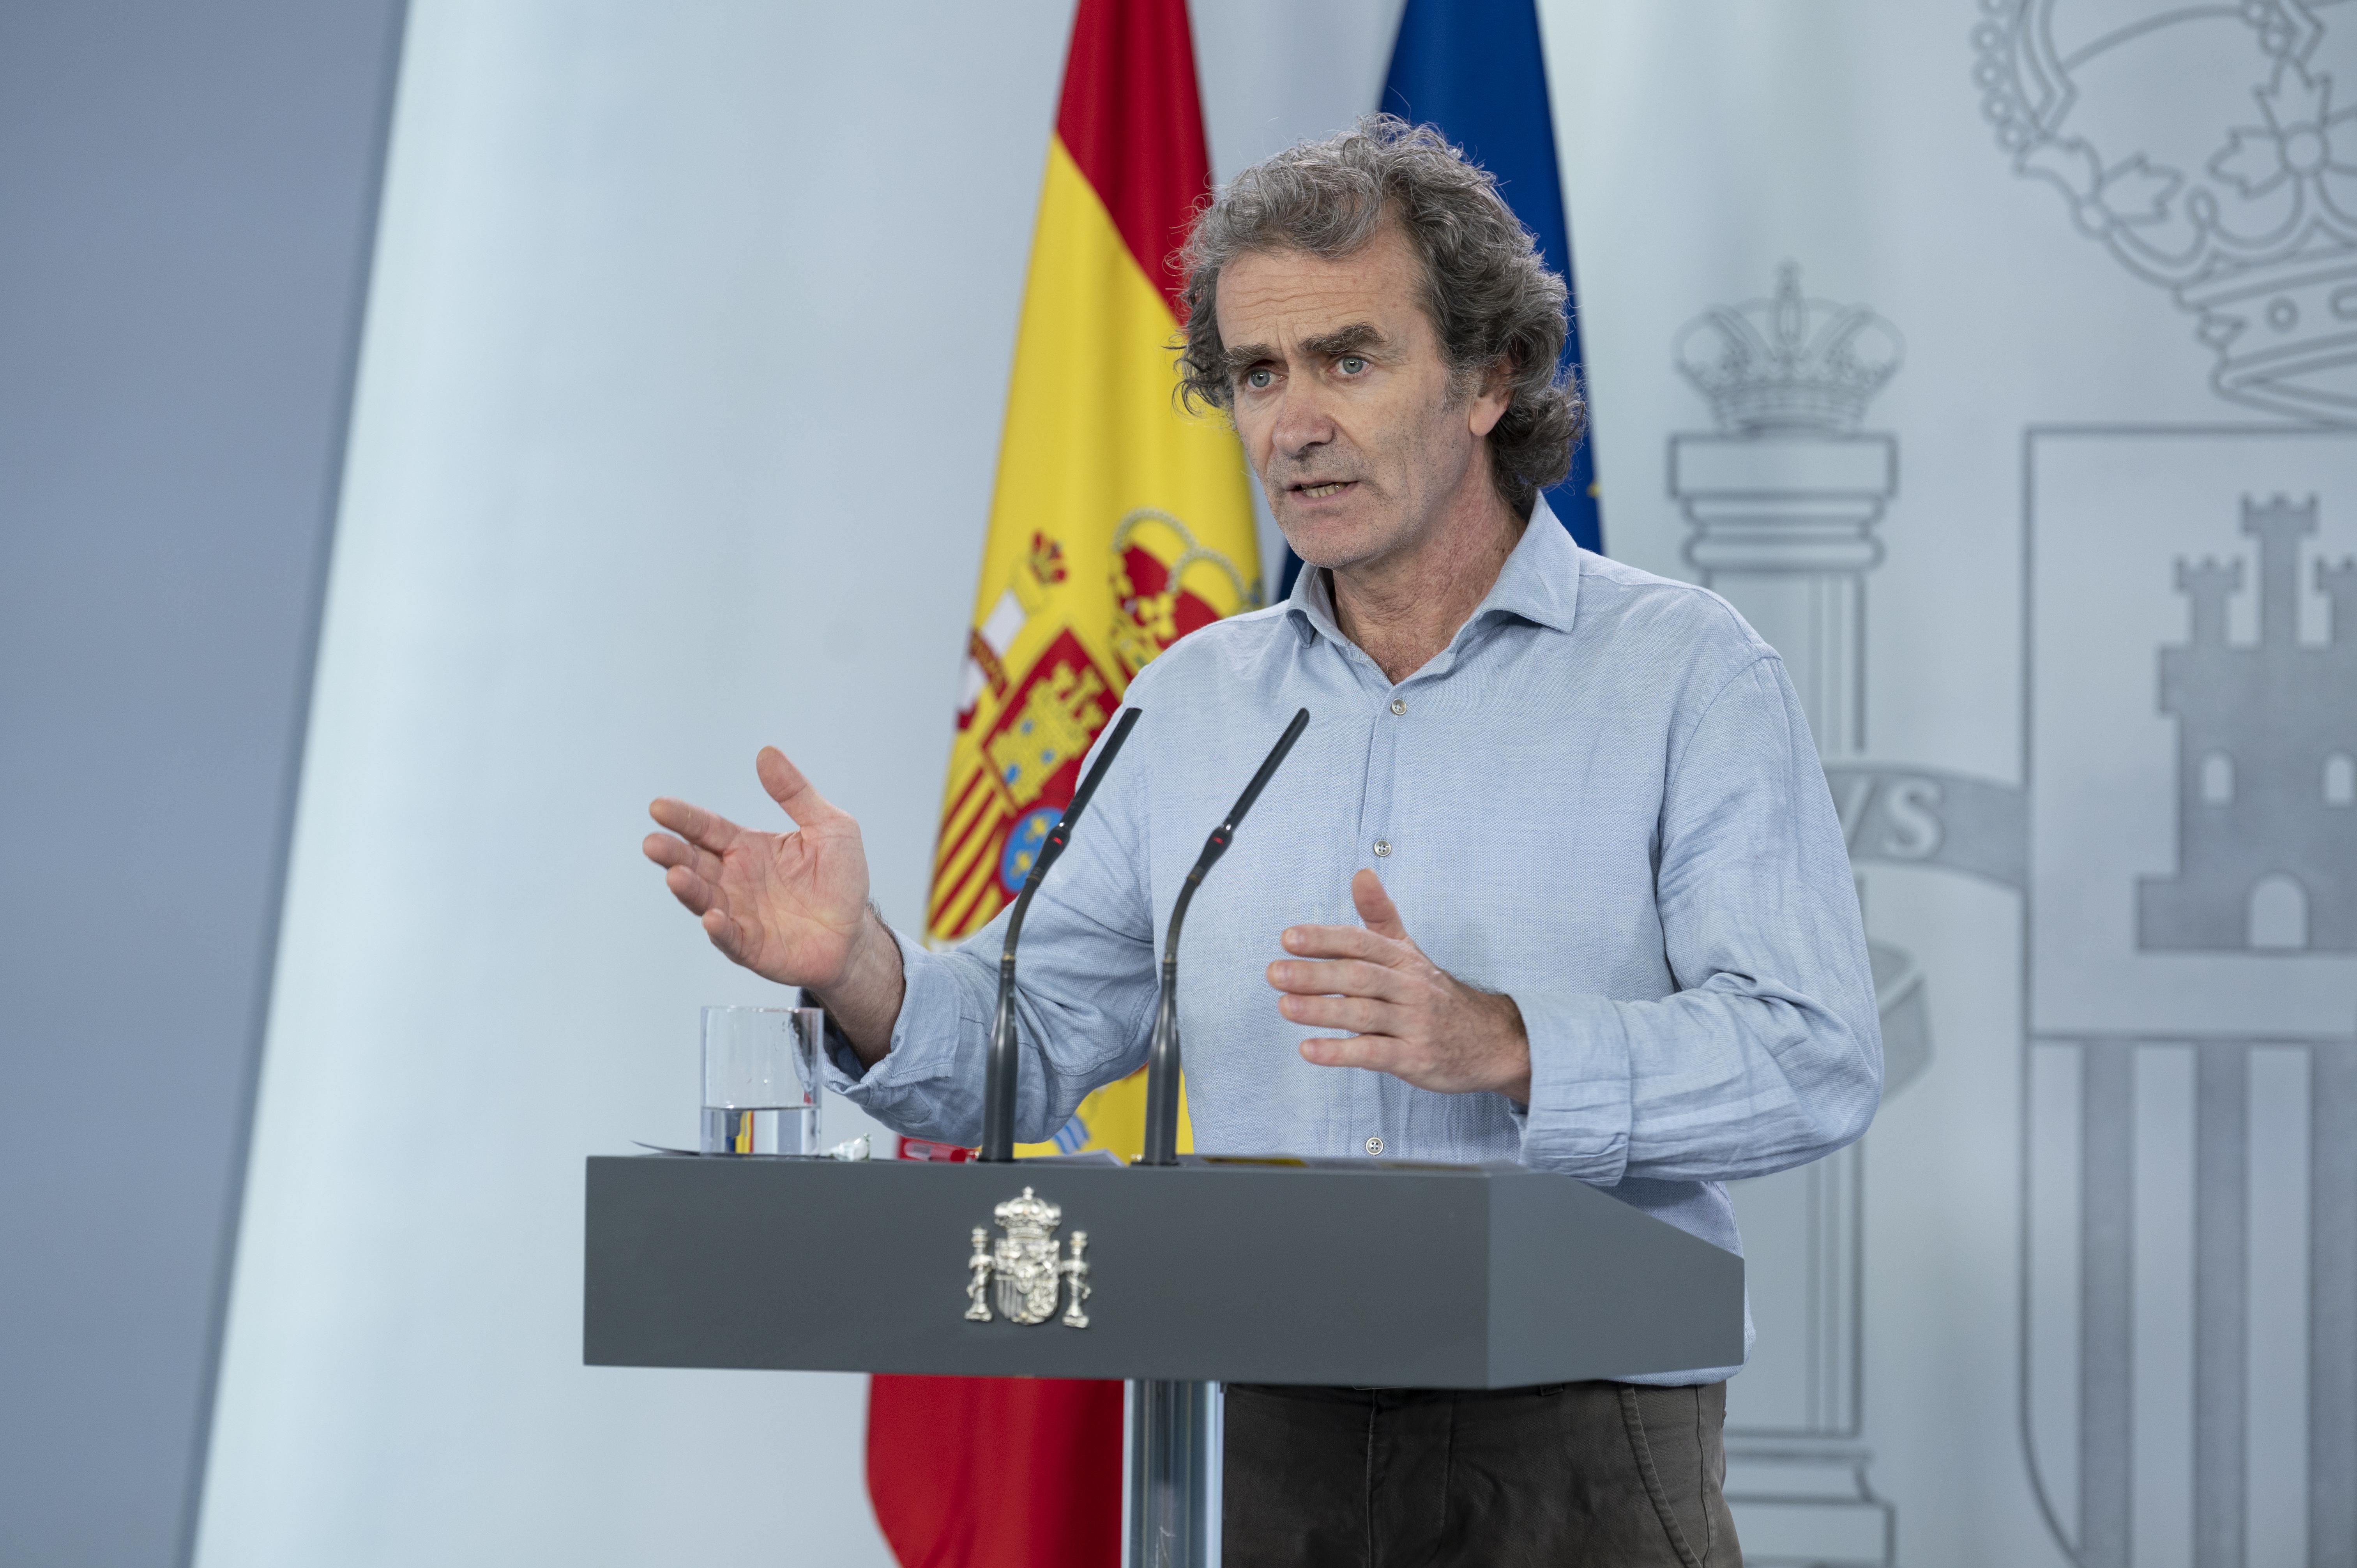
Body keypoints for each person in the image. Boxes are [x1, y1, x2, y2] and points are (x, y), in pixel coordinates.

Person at [642, 118, 1881, 1567]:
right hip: (1269, 1433)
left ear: (1487, 378)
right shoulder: (1191, 702)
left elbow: (1814, 1052)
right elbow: (1036, 1031)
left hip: (1580, 1444)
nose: (1294, 422)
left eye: (1349, 360)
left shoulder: (1682, 673)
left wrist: (1510, 1043)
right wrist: (859, 968)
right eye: (1257, 374)